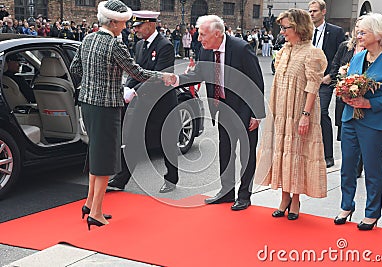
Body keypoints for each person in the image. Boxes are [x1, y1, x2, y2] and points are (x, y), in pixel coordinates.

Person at [70, 0, 167, 230]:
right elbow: (137, 72)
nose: (125, 27)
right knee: (104, 160)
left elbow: (75, 69)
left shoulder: (88, 38)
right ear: (113, 22)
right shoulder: (114, 44)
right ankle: (95, 212)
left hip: (88, 103)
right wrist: (163, 77)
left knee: (95, 154)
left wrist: (91, 84)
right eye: (123, 23)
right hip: (106, 106)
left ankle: (89, 203)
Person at [164, 15, 266, 211]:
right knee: (226, 152)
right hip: (222, 107)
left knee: (246, 154)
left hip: (244, 110)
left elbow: (257, 82)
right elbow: (198, 74)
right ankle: (227, 192)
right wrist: (176, 79)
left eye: (203, 34)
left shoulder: (241, 48)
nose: (199, 38)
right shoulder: (205, 50)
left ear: (217, 34)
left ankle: (244, 195)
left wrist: (257, 114)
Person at [255, 8, 328, 220]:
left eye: (286, 27)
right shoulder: (284, 51)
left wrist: (305, 115)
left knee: (296, 153)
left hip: (299, 112)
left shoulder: (312, 53)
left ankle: (295, 199)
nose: (282, 31)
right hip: (281, 112)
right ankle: (284, 196)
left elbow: (313, 86)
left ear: (298, 27)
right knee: (281, 151)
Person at [334, 13, 382, 230]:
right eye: (357, 31)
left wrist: (368, 103)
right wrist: (344, 93)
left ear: (378, 34)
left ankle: (372, 213)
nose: (358, 35)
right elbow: (349, 82)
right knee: (348, 166)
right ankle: (346, 205)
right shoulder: (358, 57)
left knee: (372, 168)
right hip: (350, 118)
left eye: (363, 31)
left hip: (374, 122)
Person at [108, 10, 180, 194]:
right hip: (143, 102)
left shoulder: (165, 46)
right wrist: (126, 87)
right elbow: (136, 71)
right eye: (135, 27)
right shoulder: (140, 45)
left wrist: (134, 91)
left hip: (162, 103)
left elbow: (159, 77)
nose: (136, 30)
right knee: (131, 139)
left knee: (167, 143)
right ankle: (121, 179)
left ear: (151, 24)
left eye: (139, 26)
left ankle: (171, 179)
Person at [309, 0, 345, 168]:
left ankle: (328, 155)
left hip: (325, 80)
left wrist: (331, 75)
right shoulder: (306, 31)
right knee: (305, 114)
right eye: (310, 11)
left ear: (323, 12)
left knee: (322, 113)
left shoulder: (336, 32)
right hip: (307, 79)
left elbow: (340, 56)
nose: (311, 14)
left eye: (315, 11)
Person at [330, 17, 365, 177]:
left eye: (363, 28)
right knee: (345, 131)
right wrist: (338, 80)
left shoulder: (371, 51)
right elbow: (336, 65)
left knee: (362, 134)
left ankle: (358, 166)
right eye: (357, 27)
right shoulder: (346, 47)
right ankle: (349, 163)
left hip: (363, 99)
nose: (359, 31)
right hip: (344, 97)